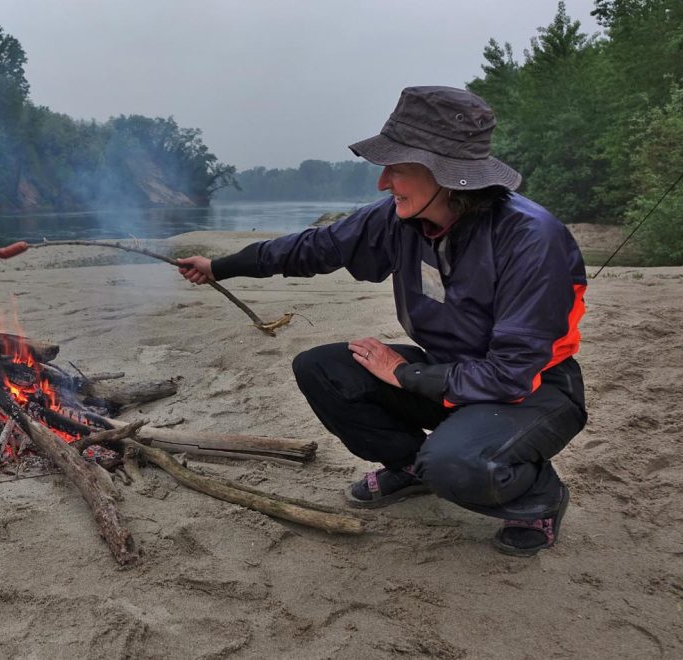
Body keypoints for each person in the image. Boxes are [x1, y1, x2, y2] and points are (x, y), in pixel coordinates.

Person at [177, 86, 587, 557]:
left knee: (455, 462)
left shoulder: (532, 239)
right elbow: (313, 247)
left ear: (444, 171)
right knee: (323, 369)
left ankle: (539, 498)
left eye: (397, 167)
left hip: (533, 392)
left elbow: (511, 374)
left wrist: (405, 373)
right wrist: (221, 266)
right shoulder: (398, 219)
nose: (382, 182)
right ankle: (413, 467)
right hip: (448, 374)